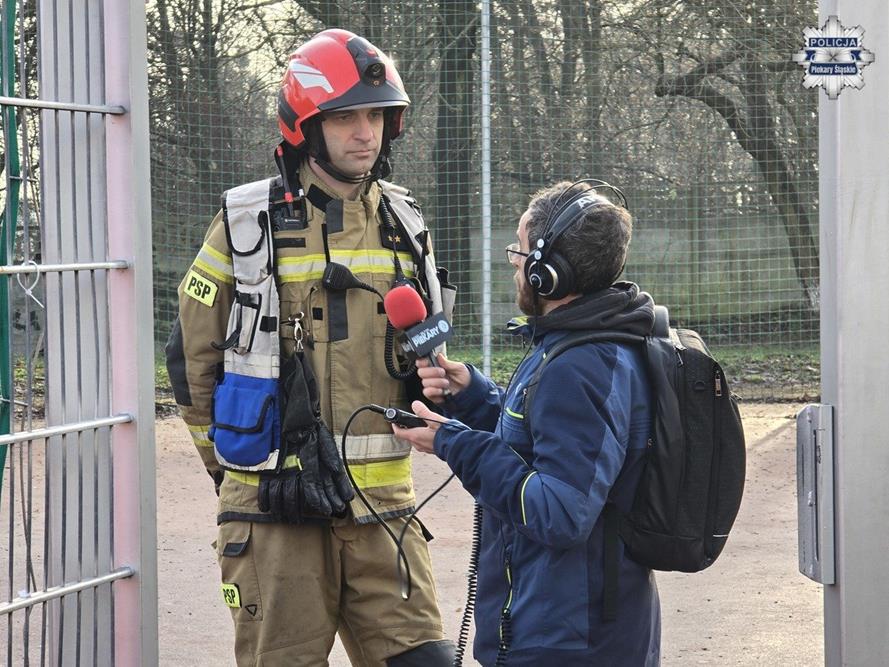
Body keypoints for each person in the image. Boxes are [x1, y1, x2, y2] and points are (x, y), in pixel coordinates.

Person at [165, 29, 455, 666]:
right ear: (306, 125)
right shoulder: (245, 223)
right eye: (345, 117)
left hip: (384, 513)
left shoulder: (407, 223)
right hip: (275, 515)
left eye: (375, 116)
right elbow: (190, 361)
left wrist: (437, 384)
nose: (364, 133)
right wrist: (233, 473)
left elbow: (426, 352)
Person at [394, 181, 662, 666]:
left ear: (548, 273)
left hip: (567, 641)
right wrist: (473, 398)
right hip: (576, 628)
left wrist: (457, 445)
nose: (514, 264)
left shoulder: (579, 366)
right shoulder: (584, 343)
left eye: (519, 251)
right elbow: (549, 444)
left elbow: (559, 512)